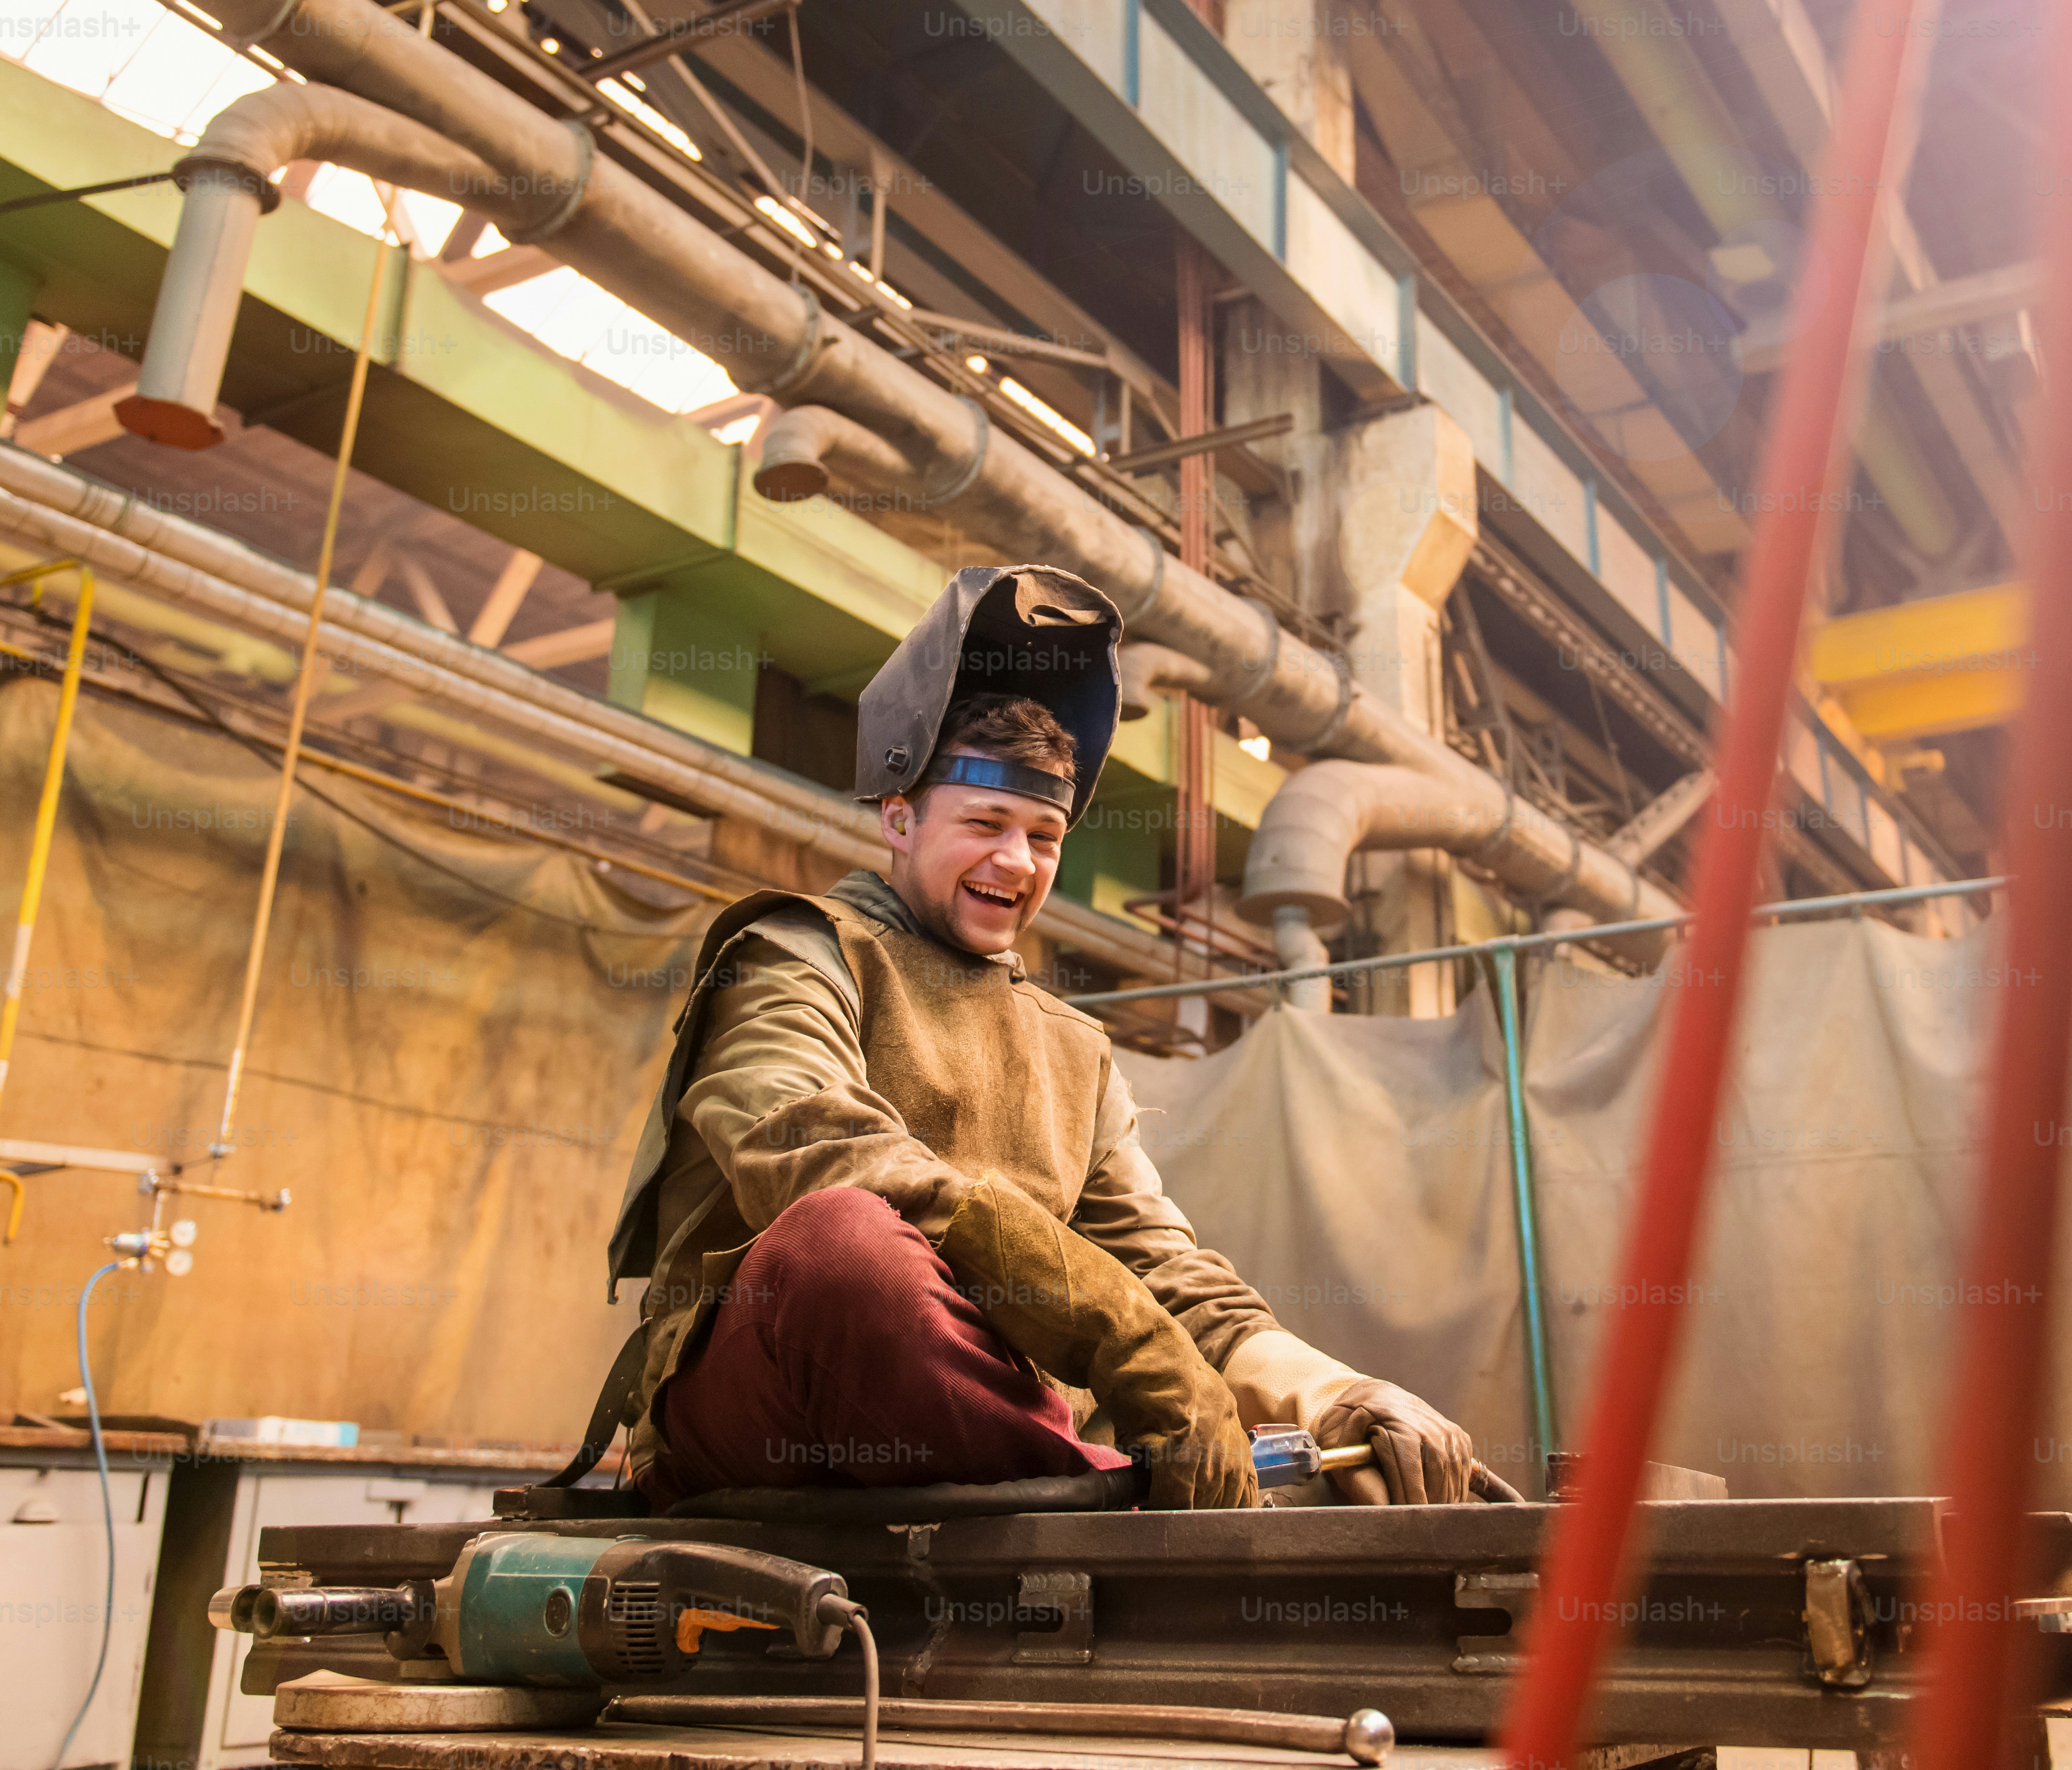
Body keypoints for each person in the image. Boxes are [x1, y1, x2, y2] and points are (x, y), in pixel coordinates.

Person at [559, 564, 1478, 1509]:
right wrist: (1122, 1334)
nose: (1016, 859)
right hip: (765, 1406)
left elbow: (1162, 1266)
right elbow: (818, 1155)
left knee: (1188, 1373)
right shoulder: (795, 952)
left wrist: (1331, 1394)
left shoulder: (1072, 1049)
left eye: (1043, 835)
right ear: (899, 815)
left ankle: (1088, 1488)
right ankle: (1104, 1492)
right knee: (841, 1246)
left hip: (961, 1420)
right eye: (987, 821)